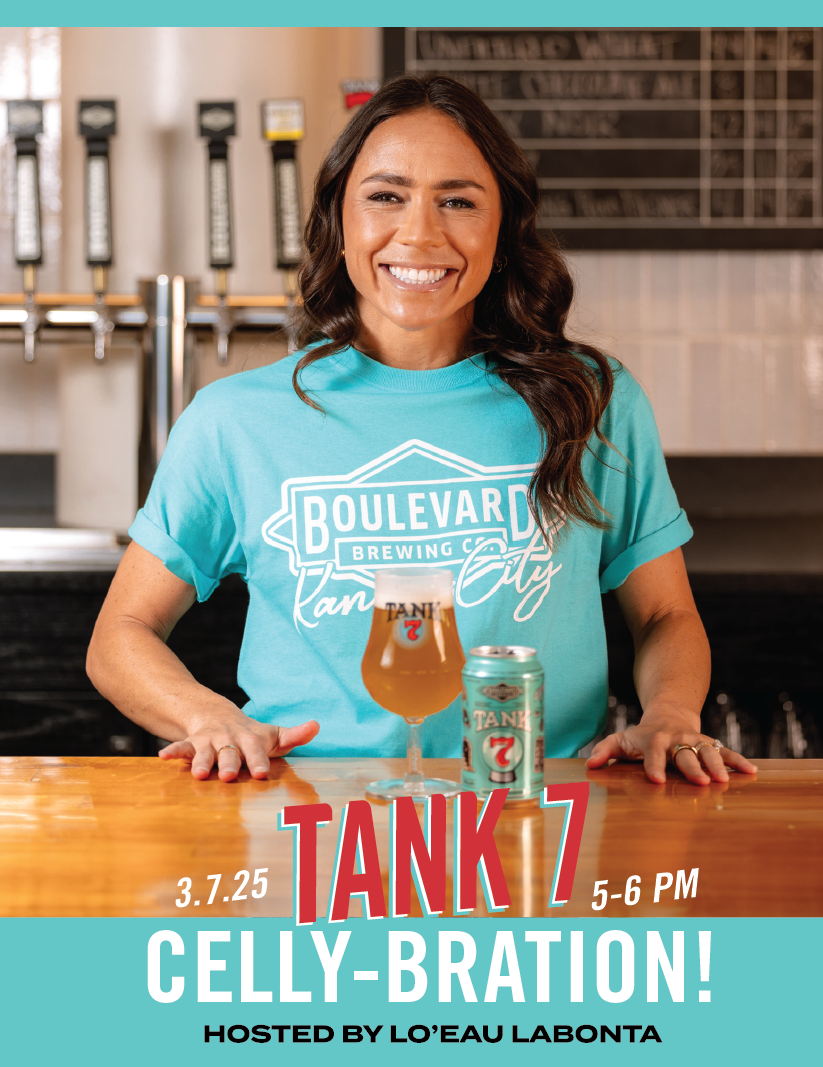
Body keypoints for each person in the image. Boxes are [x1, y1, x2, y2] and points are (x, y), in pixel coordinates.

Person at [86, 72, 756, 788]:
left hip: (532, 813)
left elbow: (663, 614)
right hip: (315, 827)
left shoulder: (590, 400)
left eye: (458, 201)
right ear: (337, 225)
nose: (419, 233)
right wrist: (202, 715)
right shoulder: (236, 421)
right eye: (385, 196)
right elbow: (119, 635)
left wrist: (670, 713)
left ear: (502, 232)